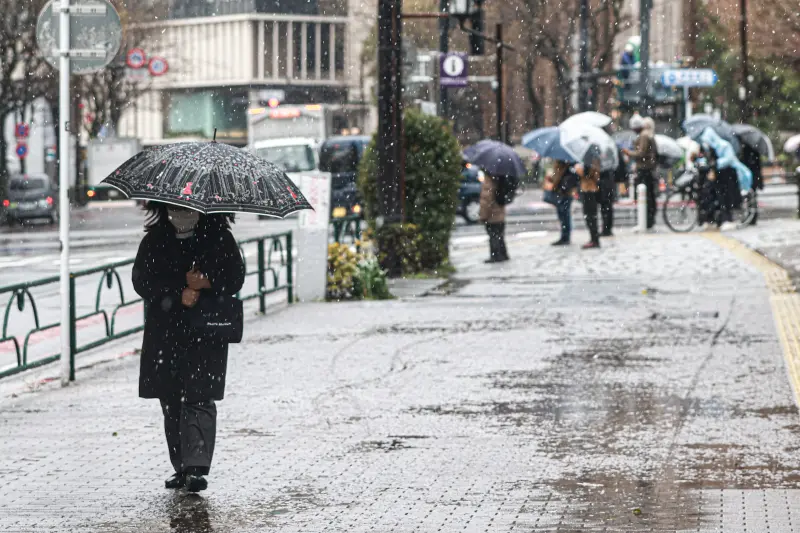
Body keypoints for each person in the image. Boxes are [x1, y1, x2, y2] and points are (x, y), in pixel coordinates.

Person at [132, 202, 245, 493]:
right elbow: (141, 281)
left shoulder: (219, 238)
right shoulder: (155, 240)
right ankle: (181, 466)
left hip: (205, 331)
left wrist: (206, 283)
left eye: (188, 207)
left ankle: (196, 468)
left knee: (200, 396)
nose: (181, 213)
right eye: (175, 207)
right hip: (165, 333)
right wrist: (177, 289)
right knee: (170, 400)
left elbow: (235, 277)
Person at [623, 114, 658, 230]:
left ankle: (647, 220)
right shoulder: (648, 135)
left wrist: (629, 153)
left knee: (645, 195)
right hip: (647, 169)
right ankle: (649, 220)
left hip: (644, 169)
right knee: (649, 195)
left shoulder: (643, 136)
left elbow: (642, 153)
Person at [546, 160, 578, 246]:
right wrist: (552, 179)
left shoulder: (570, 165)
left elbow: (572, 178)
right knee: (562, 214)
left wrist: (563, 184)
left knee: (565, 215)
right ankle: (564, 236)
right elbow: (557, 178)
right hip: (560, 192)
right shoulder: (561, 164)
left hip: (566, 193)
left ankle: (565, 237)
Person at [479, 173, 509, 262]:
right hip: (500, 213)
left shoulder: (489, 181)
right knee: (499, 235)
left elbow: (486, 200)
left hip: (492, 214)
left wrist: (483, 216)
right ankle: (503, 254)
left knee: (493, 236)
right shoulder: (501, 178)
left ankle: (495, 256)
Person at [578, 155, 602, 249]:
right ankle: (594, 239)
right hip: (590, 189)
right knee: (590, 216)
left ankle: (594, 240)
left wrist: (579, 170)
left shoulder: (590, 161)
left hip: (589, 190)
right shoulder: (593, 159)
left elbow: (588, 174)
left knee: (590, 216)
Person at [741, 143, 763, 225]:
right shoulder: (755, 150)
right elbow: (758, 166)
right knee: (752, 197)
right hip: (754, 177)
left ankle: (751, 217)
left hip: (750, 177)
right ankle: (752, 217)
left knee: (750, 197)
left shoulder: (746, 151)